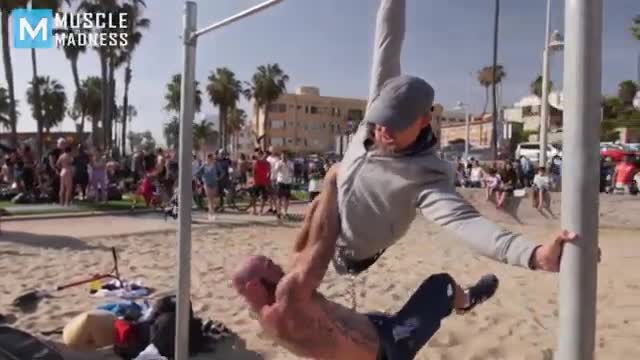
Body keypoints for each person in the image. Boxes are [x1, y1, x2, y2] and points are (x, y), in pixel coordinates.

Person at [234, 1, 582, 359]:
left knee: (325, 225)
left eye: (393, 125)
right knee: (325, 206)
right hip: (334, 223)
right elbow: (388, 40)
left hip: (352, 250)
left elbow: (469, 225)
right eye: (378, 120)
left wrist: (534, 255)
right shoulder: (380, 113)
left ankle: (462, 300)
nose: (382, 130)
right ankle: (453, 301)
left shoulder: (426, 177)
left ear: (422, 122)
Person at [196, 153, 219, 222]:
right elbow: (198, 173)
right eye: (210, 158)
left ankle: (211, 213)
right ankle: (211, 214)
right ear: (208, 158)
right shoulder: (204, 165)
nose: (211, 159)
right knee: (209, 199)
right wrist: (201, 180)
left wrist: (218, 178)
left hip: (214, 183)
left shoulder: (215, 165)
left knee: (212, 199)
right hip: (207, 183)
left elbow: (221, 172)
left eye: (212, 158)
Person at [273, 152, 294, 218]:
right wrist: (279, 166)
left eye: (285, 156)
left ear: (287, 156)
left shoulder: (290, 163)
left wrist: (287, 165)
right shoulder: (278, 163)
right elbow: (275, 171)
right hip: (280, 181)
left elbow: (292, 171)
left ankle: (285, 212)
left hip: (288, 182)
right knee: (279, 198)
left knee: (287, 198)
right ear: (281, 156)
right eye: (282, 156)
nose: (284, 157)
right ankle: (278, 212)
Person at [250, 150, 271, 216]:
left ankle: (261, 211)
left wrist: (267, 181)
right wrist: (254, 180)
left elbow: (269, 173)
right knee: (254, 196)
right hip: (256, 181)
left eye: (267, 155)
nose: (265, 156)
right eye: (264, 154)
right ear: (261, 155)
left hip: (264, 182)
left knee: (263, 197)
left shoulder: (268, 163)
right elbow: (253, 172)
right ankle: (254, 210)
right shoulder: (257, 162)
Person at [266, 149, 280, 214]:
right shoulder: (268, 158)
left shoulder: (277, 159)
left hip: (274, 178)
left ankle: (275, 208)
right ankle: (270, 207)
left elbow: (277, 169)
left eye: (273, 150)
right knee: (269, 194)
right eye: (271, 150)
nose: (272, 152)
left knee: (274, 194)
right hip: (268, 178)